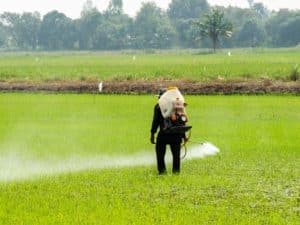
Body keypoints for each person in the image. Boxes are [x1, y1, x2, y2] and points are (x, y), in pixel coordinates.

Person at [150, 88, 186, 175]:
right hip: (176, 134)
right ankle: (176, 173)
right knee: (176, 155)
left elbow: (156, 121)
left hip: (164, 134)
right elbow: (182, 122)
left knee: (160, 154)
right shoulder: (178, 105)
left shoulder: (158, 106)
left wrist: (152, 134)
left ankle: (162, 172)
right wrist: (183, 135)